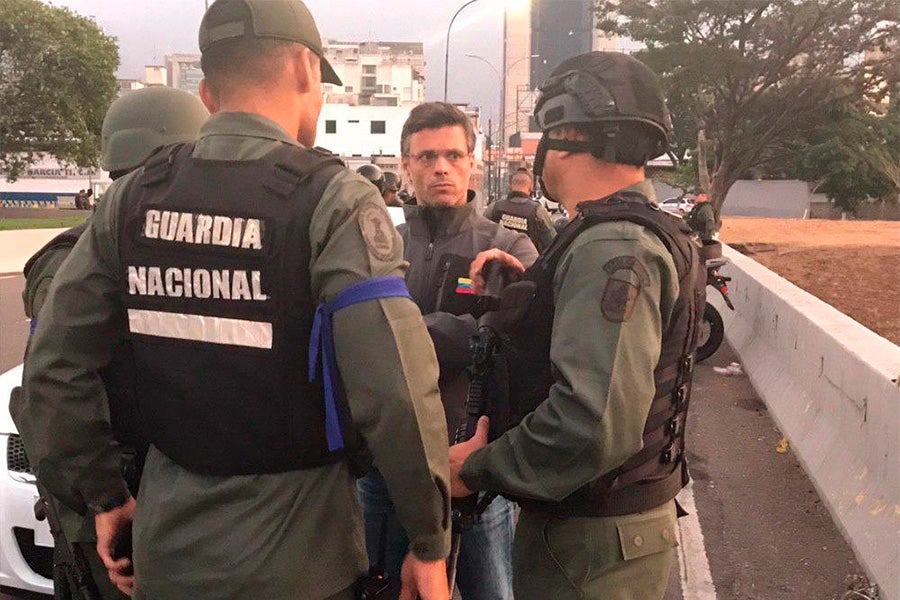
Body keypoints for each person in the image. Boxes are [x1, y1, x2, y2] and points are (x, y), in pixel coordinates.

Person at [14, 2, 452, 599]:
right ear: (304, 69)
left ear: (208, 92)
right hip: (303, 563)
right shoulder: (334, 200)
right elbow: (395, 387)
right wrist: (429, 543)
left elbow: (53, 369)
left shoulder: (131, 200)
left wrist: (104, 497)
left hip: (167, 556)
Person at [449, 51, 706, 600]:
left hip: (589, 544)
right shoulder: (623, 232)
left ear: (565, 132)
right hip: (605, 536)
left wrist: (476, 469)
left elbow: (591, 422)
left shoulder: (611, 243)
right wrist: (536, 295)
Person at [13, 86, 209, 600]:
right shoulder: (74, 260)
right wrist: (106, 498)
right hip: (117, 502)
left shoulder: (173, 246)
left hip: (169, 497)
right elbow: (53, 387)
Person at [357, 102, 538, 600]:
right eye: (427, 156)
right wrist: (471, 326)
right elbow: (355, 341)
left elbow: (518, 340)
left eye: (454, 155)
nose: (441, 167)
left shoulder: (510, 250)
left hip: (473, 470)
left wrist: (401, 333)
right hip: (384, 466)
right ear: (405, 166)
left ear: (473, 163)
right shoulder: (378, 248)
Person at [484, 168, 556, 252]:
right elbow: (552, 243)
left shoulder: (494, 207)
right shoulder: (537, 210)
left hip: (496, 262)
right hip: (528, 262)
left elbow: (481, 235)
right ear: (531, 186)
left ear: (510, 185)